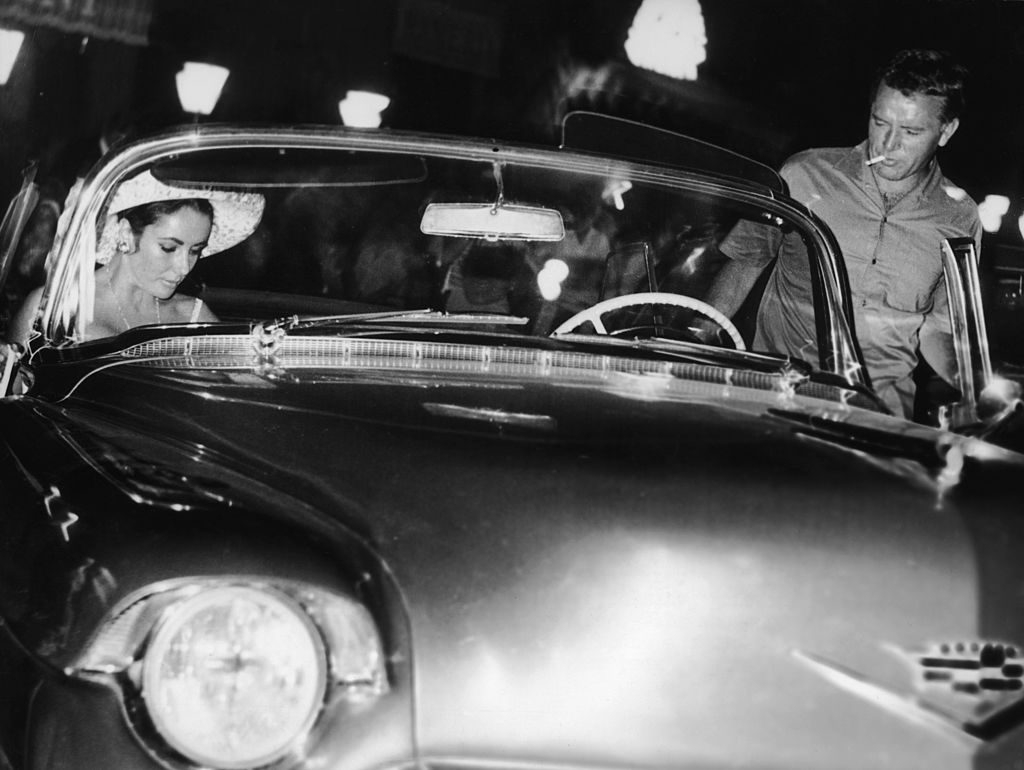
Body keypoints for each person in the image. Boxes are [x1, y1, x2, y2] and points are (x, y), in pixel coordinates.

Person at [695, 49, 981, 418]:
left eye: (911, 131)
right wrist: (696, 340)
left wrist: (978, 387)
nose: (888, 144)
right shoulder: (803, 175)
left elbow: (936, 328)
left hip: (880, 416)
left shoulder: (960, 216)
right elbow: (744, 265)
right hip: (778, 400)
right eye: (880, 122)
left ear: (946, 131)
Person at [8, 170, 265, 345]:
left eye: (195, 250)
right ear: (126, 234)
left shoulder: (193, 316)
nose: (184, 267)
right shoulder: (53, 308)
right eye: (168, 248)